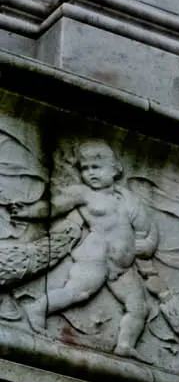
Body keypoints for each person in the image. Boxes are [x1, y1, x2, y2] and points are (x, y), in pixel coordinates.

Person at [26, 141, 158, 356]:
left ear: (115, 169)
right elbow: (52, 207)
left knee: (139, 307)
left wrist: (148, 245)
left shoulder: (127, 199)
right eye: (84, 169)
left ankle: (125, 345)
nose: (89, 173)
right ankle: (38, 309)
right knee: (78, 292)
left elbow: (146, 229)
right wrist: (25, 211)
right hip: (96, 256)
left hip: (122, 267)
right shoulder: (84, 193)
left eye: (96, 167)